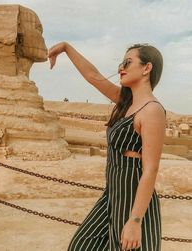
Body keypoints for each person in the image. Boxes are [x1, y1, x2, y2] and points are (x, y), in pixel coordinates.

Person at [48, 42, 166, 251]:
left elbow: (150, 169)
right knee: (82, 245)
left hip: (133, 199)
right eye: (122, 63)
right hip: (112, 194)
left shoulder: (152, 110)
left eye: (128, 63)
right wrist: (66, 48)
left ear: (147, 68)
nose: (121, 67)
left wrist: (135, 220)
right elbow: (93, 76)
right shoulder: (125, 103)